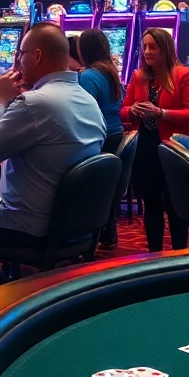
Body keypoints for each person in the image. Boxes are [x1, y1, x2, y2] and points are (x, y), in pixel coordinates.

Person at [0, 22, 105, 291]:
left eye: (21, 53)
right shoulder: (87, 99)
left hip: (29, 228)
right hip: (74, 226)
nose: (17, 60)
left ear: (38, 56)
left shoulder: (35, 103)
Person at [122, 28, 189, 253]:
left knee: (175, 207)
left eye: (152, 47)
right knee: (151, 207)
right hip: (145, 149)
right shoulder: (138, 77)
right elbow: (123, 112)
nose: (147, 51)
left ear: (165, 49)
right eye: (144, 46)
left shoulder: (182, 75)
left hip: (173, 148)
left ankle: (178, 255)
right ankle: (154, 255)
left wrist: (161, 112)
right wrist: (133, 110)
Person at [77, 28, 126, 249]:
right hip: (116, 135)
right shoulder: (111, 71)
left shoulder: (88, 76)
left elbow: (84, 113)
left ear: (84, 50)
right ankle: (107, 230)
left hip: (101, 138)